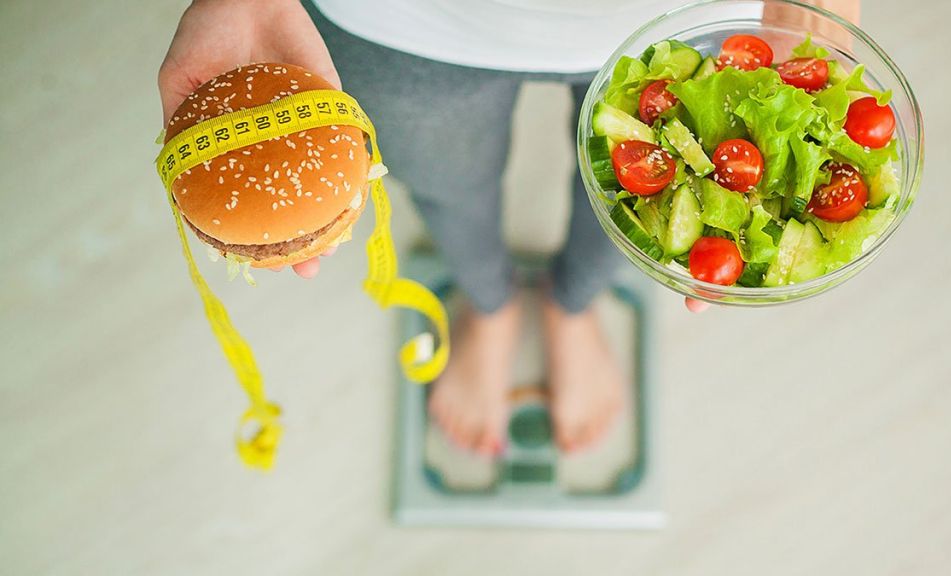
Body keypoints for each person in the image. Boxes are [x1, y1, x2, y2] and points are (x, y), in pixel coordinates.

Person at [159, 0, 859, 457]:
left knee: (648, 211)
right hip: (399, 21)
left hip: (694, 13)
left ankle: (573, 306)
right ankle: (490, 307)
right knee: (446, 186)